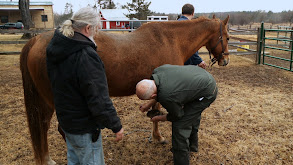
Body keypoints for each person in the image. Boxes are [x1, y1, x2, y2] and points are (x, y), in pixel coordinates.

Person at [46, 7, 124, 165]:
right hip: (84, 127)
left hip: (67, 122)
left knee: (74, 159)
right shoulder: (86, 56)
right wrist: (115, 125)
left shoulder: (57, 47)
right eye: (96, 29)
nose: (96, 33)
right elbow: (98, 98)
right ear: (88, 28)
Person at [136, 64, 218, 165]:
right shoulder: (157, 71)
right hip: (200, 76)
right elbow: (159, 91)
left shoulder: (167, 96)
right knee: (190, 115)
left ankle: (181, 160)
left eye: (150, 98)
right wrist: (148, 105)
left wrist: (159, 118)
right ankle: (193, 145)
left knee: (180, 125)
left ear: (152, 95)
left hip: (208, 91)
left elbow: (177, 115)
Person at [178, 4, 207, 69]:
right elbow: (190, 48)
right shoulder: (190, 27)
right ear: (192, 13)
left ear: (182, 12)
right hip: (187, 65)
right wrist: (199, 61)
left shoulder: (175, 24)